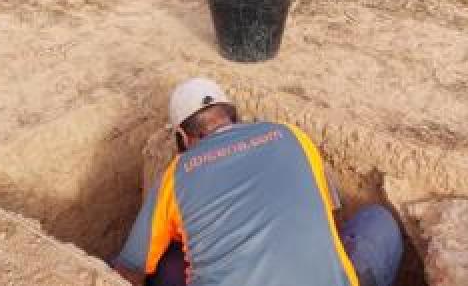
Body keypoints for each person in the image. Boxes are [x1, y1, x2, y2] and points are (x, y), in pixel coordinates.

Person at [113, 78, 403, 286]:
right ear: (234, 117)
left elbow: (130, 269)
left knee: (168, 264)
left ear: (182, 137)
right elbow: (330, 221)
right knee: (378, 223)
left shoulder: (177, 174)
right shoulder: (291, 135)